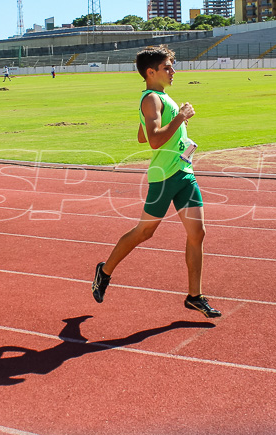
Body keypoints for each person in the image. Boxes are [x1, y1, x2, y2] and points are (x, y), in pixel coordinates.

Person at [91, 45, 220, 318]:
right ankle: (105, 270)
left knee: (198, 234)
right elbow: (154, 140)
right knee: (144, 232)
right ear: (151, 72)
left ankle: (194, 296)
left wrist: (165, 122)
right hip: (164, 177)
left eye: (172, 66)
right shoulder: (151, 99)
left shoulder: (160, 97)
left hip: (184, 173)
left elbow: (142, 135)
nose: (173, 71)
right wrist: (181, 118)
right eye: (167, 67)